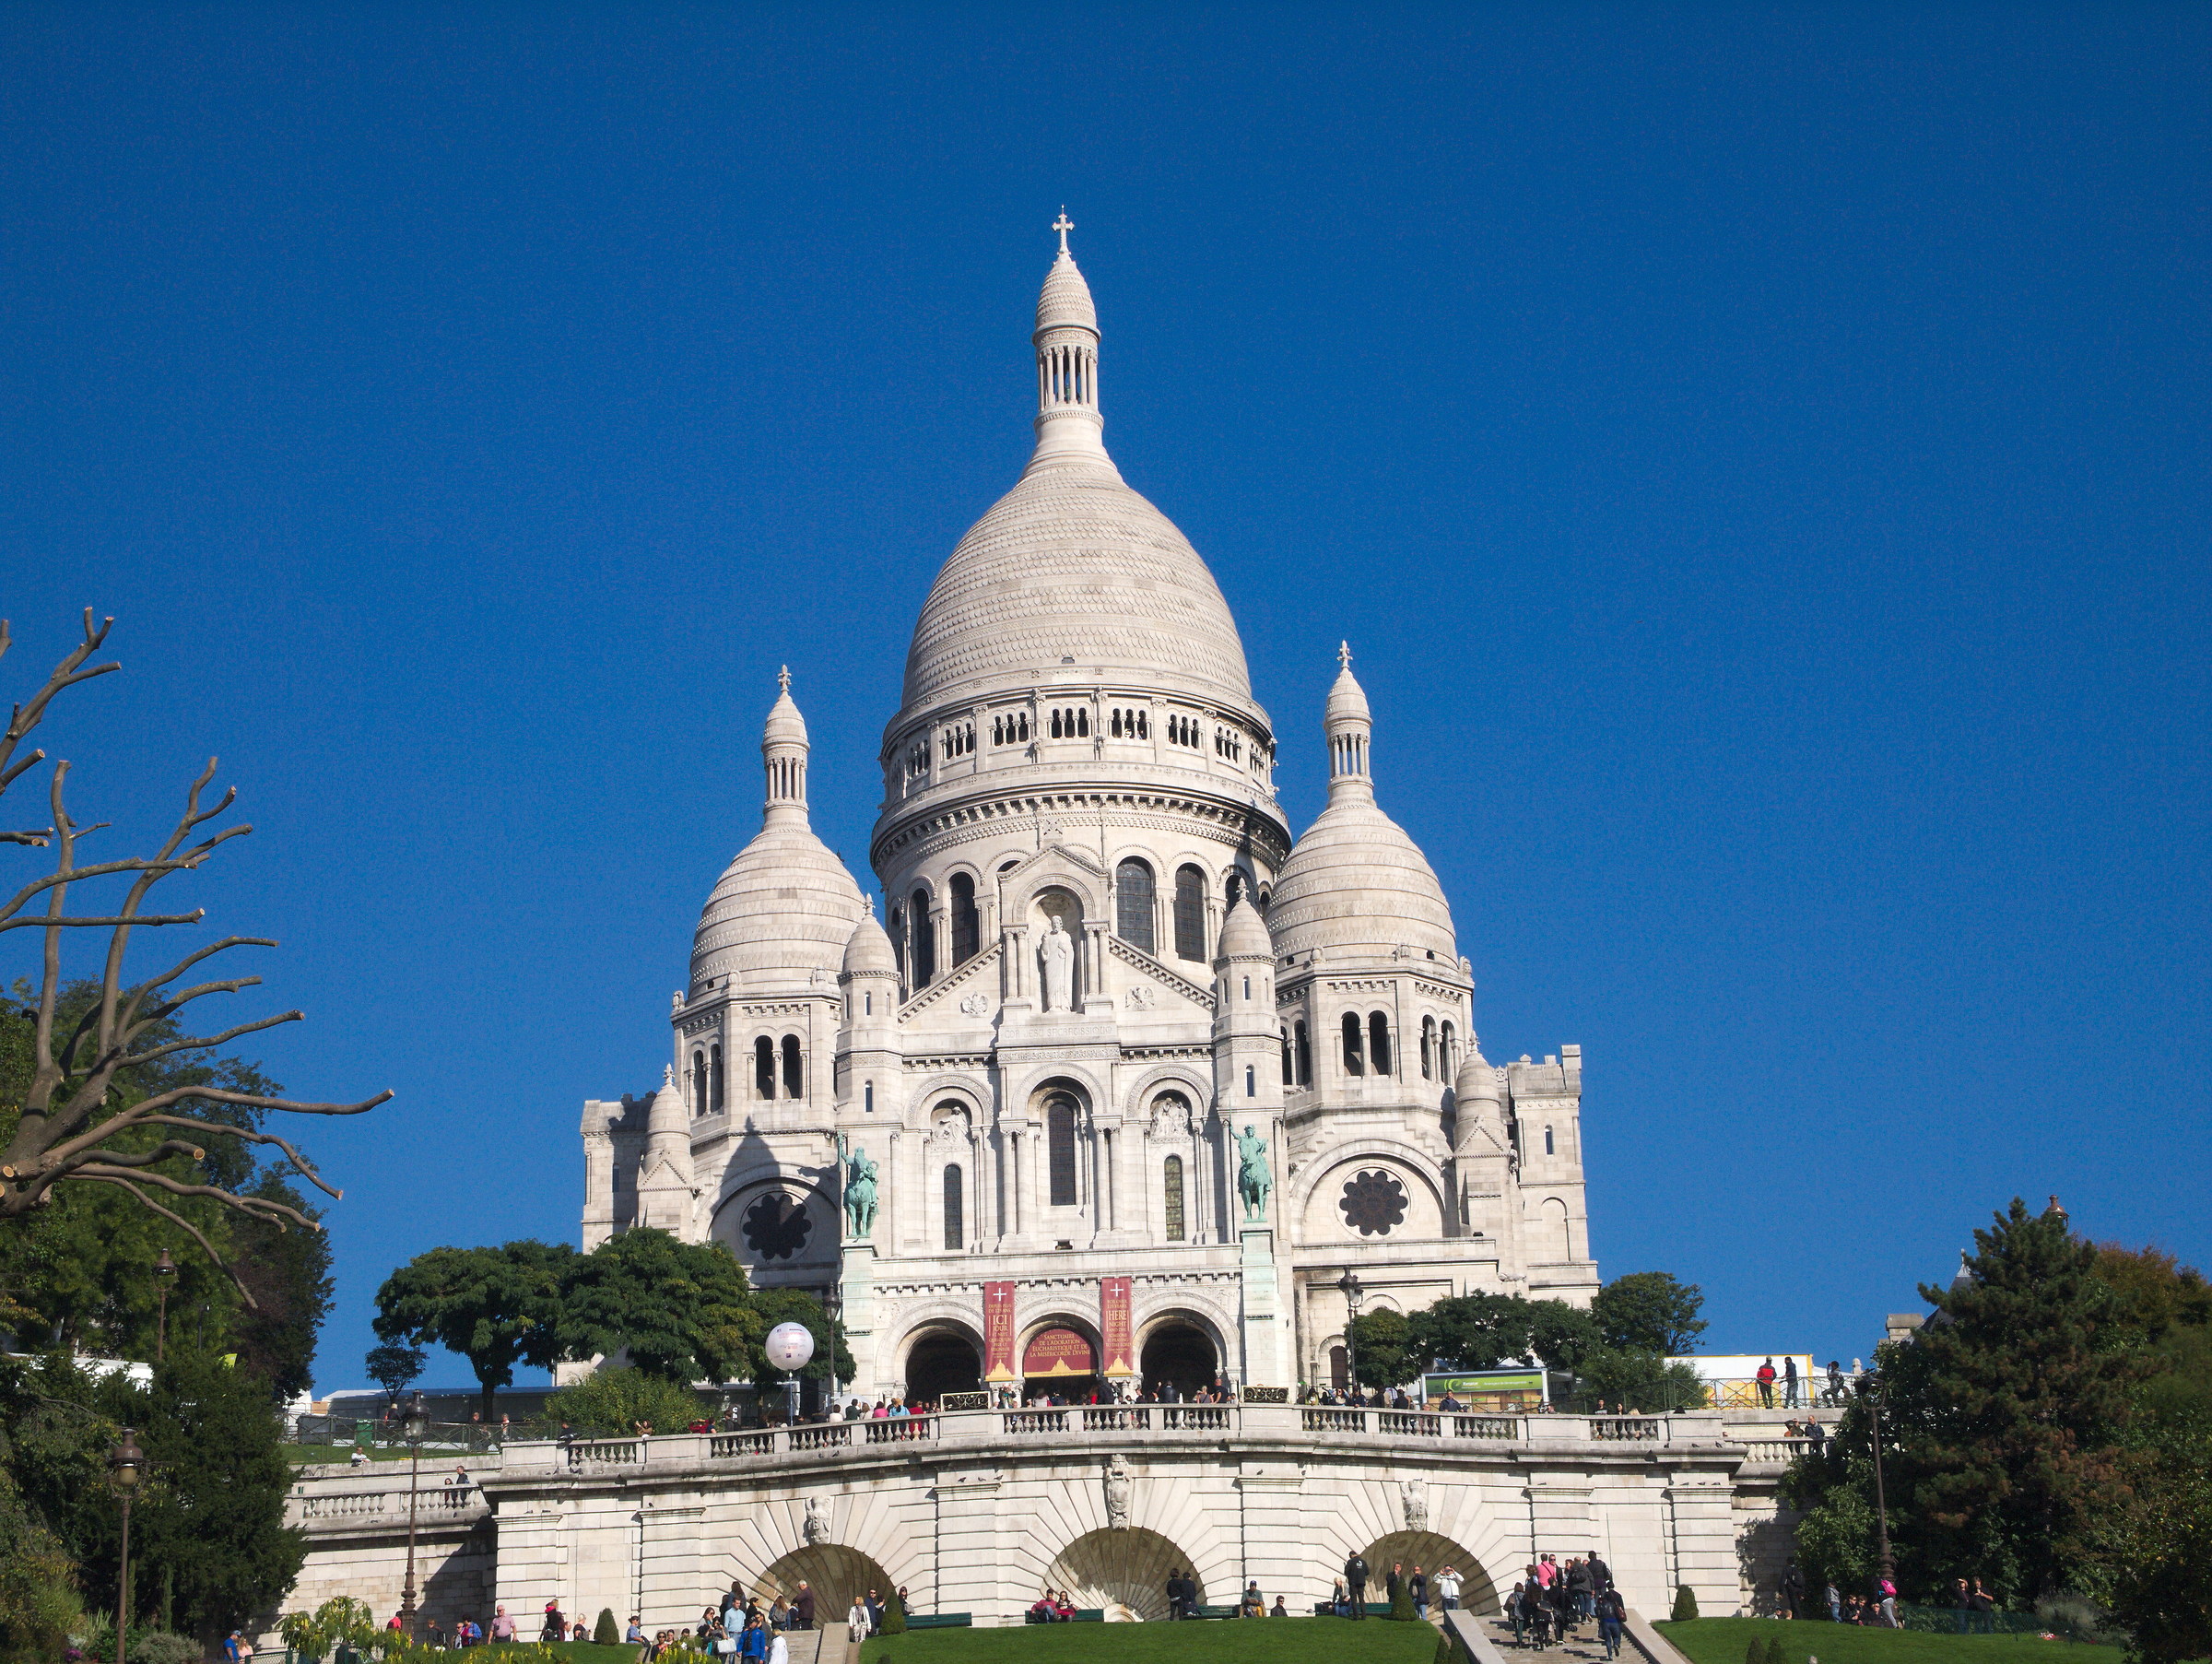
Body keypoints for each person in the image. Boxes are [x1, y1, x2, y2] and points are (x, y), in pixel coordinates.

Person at [1596, 1587, 1627, 1659]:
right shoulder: (1614, 1603)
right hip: (1614, 1621)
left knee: (1608, 1640)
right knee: (1616, 1636)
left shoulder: (1601, 1606)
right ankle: (1616, 1644)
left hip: (1605, 1623)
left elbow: (1598, 1613)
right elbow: (1619, 1610)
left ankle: (1610, 1655)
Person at [1344, 1552, 1370, 1618]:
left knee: (1354, 1599)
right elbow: (1367, 1572)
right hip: (1361, 1582)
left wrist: (1346, 1567)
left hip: (1353, 1582)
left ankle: (1356, 1615)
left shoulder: (1350, 1561)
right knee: (1361, 1599)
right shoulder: (1363, 1562)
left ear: (1351, 1555)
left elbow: (1346, 1572)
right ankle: (1364, 1615)